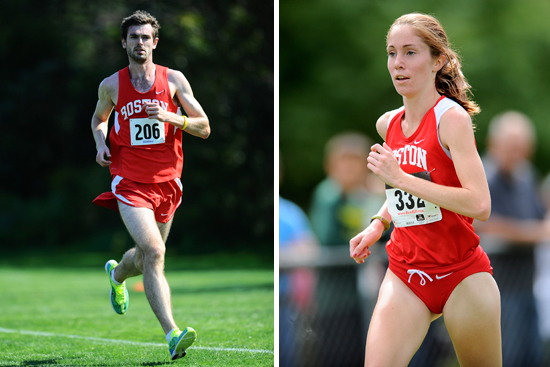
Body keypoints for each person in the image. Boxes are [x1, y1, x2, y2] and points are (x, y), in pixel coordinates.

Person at [349, 13, 501, 367]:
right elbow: (409, 191)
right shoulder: (387, 123)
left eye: (410, 52)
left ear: (438, 61)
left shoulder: (452, 119)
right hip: (406, 272)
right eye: (391, 52)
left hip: (461, 273)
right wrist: (378, 224)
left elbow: (479, 204)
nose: (397, 63)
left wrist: (399, 177)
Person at [90, 10, 210, 361]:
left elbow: (204, 127)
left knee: (145, 257)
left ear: (155, 43)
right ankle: (172, 334)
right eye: (134, 37)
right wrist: (100, 142)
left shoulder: (173, 80)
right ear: (123, 42)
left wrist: (173, 116)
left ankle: (117, 274)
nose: (140, 42)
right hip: (128, 180)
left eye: (146, 37)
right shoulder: (111, 85)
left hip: (168, 182)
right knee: (156, 253)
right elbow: (100, 118)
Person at [475, 111, 546, 367]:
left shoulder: (526, 176)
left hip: (527, 283)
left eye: (522, 148)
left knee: (533, 357)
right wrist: (530, 234)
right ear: (494, 145)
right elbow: (480, 223)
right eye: (511, 147)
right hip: (498, 287)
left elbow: (540, 218)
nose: (518, 154)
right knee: (510, 357)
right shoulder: (483, 177)